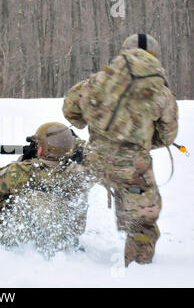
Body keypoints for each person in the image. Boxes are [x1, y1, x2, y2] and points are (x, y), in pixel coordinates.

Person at [62, 33, 178, 266]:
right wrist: (142, 141)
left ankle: (62, 246)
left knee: (70, 193)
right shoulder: (161, 91)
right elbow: (168, 135)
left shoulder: (98, 80)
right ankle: (138, 267)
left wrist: (91, 125)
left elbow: (70, 108)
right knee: (143, 218)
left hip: (94, 156)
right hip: (134, 166)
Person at [0, 122, 90, 257]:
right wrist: (67, 142)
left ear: (42, 149)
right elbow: (91, 153)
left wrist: (23, 161)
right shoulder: (80, 174)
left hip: (20, 236)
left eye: (38, 145)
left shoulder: (25, 171)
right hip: (63, 236)